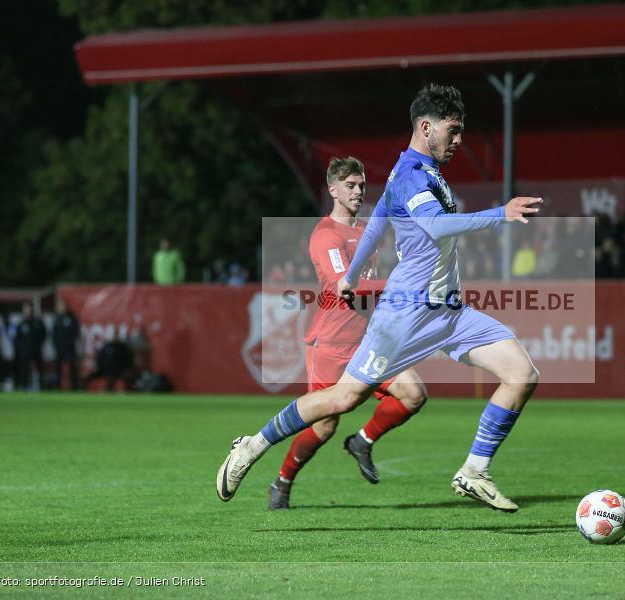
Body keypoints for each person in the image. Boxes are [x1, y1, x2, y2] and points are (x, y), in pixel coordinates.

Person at [217, 83, 542, 512]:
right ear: (426, 127)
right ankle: (252, 446)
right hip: (404, 316)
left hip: (448, 311)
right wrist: (500, 212)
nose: (459, 139)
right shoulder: (410, 175)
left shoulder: (413, 172)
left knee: (522, 373)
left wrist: (351, 276)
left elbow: (374, 226)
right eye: (454, 130)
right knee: (342, 399)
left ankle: (474, 471)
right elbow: (437, 228)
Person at [268, 156, 426, 510]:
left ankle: (364, 440)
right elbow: (347, 288)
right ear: (333, 190)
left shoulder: (368, 230)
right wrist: (401, 284)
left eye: (361, 185)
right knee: (324, 427)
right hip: (331, 345)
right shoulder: (325, 235)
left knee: (414, 393)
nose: (358, 192)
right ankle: (282, 480)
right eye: (351, 186)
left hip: (368, 342)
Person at [13, 303, 46, 391]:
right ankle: (24, 386)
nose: (28, 311)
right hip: (25, 351)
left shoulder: (38, 322)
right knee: (24, 369)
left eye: (29, 309)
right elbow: (17, 338)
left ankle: (41, 387)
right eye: (26, 309)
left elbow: (43, 335)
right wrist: (21, 348)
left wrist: (38, 345)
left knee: (39, 368)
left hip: (36, 350)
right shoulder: (21, 323)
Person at [52, 298, 81, 390]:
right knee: (58, 370)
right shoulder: (56, 319)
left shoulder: (71, 317)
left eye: (62, 306)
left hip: (70, 348)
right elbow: (53, 334)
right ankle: (57, 388)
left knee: (72, 369)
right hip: (59, 348)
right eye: (59, 306)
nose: (61, 308)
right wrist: (56, 344)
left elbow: (76, 331)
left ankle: (75, 388)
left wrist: (70, 341)